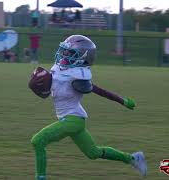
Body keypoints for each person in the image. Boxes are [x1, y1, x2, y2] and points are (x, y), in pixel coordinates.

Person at [30, 35, 147, 180]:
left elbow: (97, 90)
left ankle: (40, 177)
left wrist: (121, 100)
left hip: (73, 119)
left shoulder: (79, 76)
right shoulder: (61, 66)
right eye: (64, 51)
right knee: (93, 153)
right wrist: (41, 81)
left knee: (38, 141)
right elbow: (51, 86)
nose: (64, 55)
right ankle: (133, 159)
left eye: (70, 53)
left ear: (84, 57)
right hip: (69, 118)